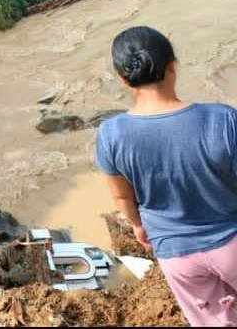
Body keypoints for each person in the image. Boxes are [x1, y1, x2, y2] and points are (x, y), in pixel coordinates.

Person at [96, 26, 237, 327]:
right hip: (231, 240)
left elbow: (122, 196)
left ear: (122, 78)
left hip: (175, 253)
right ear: (173, 66)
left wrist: (138, 226)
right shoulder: (222, 119)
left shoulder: (110, 135)